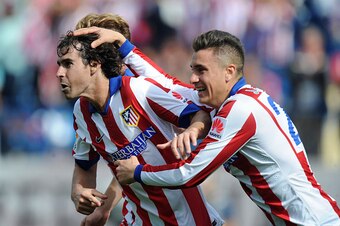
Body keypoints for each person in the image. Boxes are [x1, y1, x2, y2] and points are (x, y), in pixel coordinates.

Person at [100, 29, 340, 225]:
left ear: (229, 72)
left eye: (201, 70)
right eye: (193, 69)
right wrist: (125, 48)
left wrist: (138, 172)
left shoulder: (241, 109)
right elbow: (167, 85)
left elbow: (190, 173)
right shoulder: (228, 100)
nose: (193, 78)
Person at [57, 27, 224, 226]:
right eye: (59, 65)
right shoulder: (81, 113)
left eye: (68, 64)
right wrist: (79, 192)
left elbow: (200, 114)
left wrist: (192, 130)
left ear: (94, 64)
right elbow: (84, 166)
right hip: (137, 219)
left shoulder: (138, 90)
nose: (59, 73)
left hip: (186, 219)